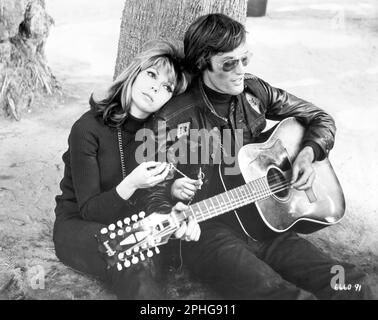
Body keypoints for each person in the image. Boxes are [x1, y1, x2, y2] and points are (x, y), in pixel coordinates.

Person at [142, 14, 373, 299]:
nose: (240, 70)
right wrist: (170, 211)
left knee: (351, 283)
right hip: (212, 233)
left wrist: (307, 154)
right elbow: (150, 187)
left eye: (245, 59)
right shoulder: (173, 117)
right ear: (203, 63)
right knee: (287, 296)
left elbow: (319, 118)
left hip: (267, 222)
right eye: (229, 64)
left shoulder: (254, 90)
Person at [53, 40, 201, 300]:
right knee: (133, 258)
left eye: (166, 87)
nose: (156, 86)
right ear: (135, 73)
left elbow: (157, 197)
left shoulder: (161, 136)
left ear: (169, 100)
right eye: (152, 74)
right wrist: (131, 183)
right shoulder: (87, 128)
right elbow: (88, 210)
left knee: (150, 254)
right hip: (79, 225)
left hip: (135, 225)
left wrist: (171, 207)